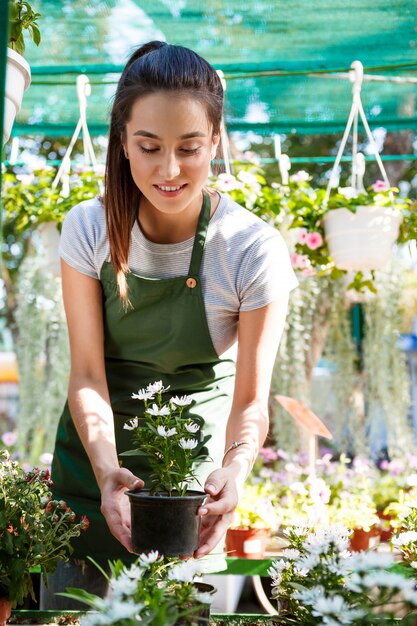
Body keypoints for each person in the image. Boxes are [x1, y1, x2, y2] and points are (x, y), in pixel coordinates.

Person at [40, 40, 297, 607]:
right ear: (123, 145)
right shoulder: (89, 229)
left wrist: (235, 471)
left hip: (188, 489)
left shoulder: (252, 250)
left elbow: (251, 400)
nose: (170, 169)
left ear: (216, 142)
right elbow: (86, 373)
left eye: (190, 147)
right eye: (149, 147)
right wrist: (109, 472)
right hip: (90, 477)